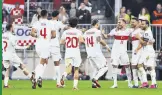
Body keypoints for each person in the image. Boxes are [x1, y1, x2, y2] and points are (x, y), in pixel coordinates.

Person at [102, 19, 133, 88]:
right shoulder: (114, 30)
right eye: (118, 22)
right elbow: (106, 36)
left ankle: (130, 83)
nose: (118, 24)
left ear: (124, 23)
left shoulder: (128, 31)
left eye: (120, 22)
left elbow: (132, 37)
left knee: (127, 66)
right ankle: (115, 84)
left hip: (124, 52)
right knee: (114, 66)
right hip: (115, 52)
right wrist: (103, 33)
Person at [30, 10, 56, 89]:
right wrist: (48, 37)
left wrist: (38, 35)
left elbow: (32, 33)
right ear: (47, 15)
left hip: (38, 45)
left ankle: (38, 77)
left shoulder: (36, 23)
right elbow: (54, 35)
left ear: (40, 15)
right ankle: (36, 75)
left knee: (45, 61)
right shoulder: (50, 23)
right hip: (46, 45)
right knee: (42, 62)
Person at [2, 24, 32, 88]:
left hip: (4, 54)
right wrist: (25, 47)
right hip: (12, 55)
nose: (13, 28)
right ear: (10, 28)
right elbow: (16, 46)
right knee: (22, 66)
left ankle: (5, 85)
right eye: (13, 27)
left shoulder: (2, 35)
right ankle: (32, 79)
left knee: (7, 69)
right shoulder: (12, 36)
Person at [83, 19, 110, 88]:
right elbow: (99, 40)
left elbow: (84, 40)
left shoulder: (86, 32)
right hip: (96, 52)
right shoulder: (97, 31)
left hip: (89, 53)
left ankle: (94, 84)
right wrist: (107, 47)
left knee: (95, 69)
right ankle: (95, 78)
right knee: (105, 67)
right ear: (97, 24)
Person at [60, 17, 84, 90]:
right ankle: (75, 86)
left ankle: (63, 76)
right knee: (76, 69)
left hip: (68, 52)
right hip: (76, 52)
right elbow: (81, 40)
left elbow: (61, 42)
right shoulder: (78, 32)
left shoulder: (65, 32)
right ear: (76, 24)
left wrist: (67, 41)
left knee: (69, 69)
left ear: (69, 23)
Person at [136, 20, 157, 88]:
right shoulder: (146, 31)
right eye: (141, 24)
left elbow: (144, 43)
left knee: (147, 66)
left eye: (143, 24)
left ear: (147, 25)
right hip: (146, 50)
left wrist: (138, 37)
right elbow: (153, 40)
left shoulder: (147, 32)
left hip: (148, 51)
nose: (141, 25)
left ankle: (150, 83)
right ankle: (149, 83)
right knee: (146, 66)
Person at [49, 10, 67, 88]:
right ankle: (58, 82)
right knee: (57, 63)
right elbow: (66, 27)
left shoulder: (48, 22)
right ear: (57, 16)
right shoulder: (58, 23)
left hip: (46, 44)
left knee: (43, 62)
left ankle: (36, 76)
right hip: (55, 44)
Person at [129, 18, 147, 88]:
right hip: (135, 50)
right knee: (136, 67)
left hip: (138, 51)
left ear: (137, 23)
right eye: (131, 22)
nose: (131, 23)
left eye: (133, 22)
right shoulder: (133, 31)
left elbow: (142, 42)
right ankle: (142, 83)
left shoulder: (140, 31)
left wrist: (137, 49)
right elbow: (132, 41)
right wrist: (129, 37)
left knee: (135, 66)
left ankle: (138, 83)